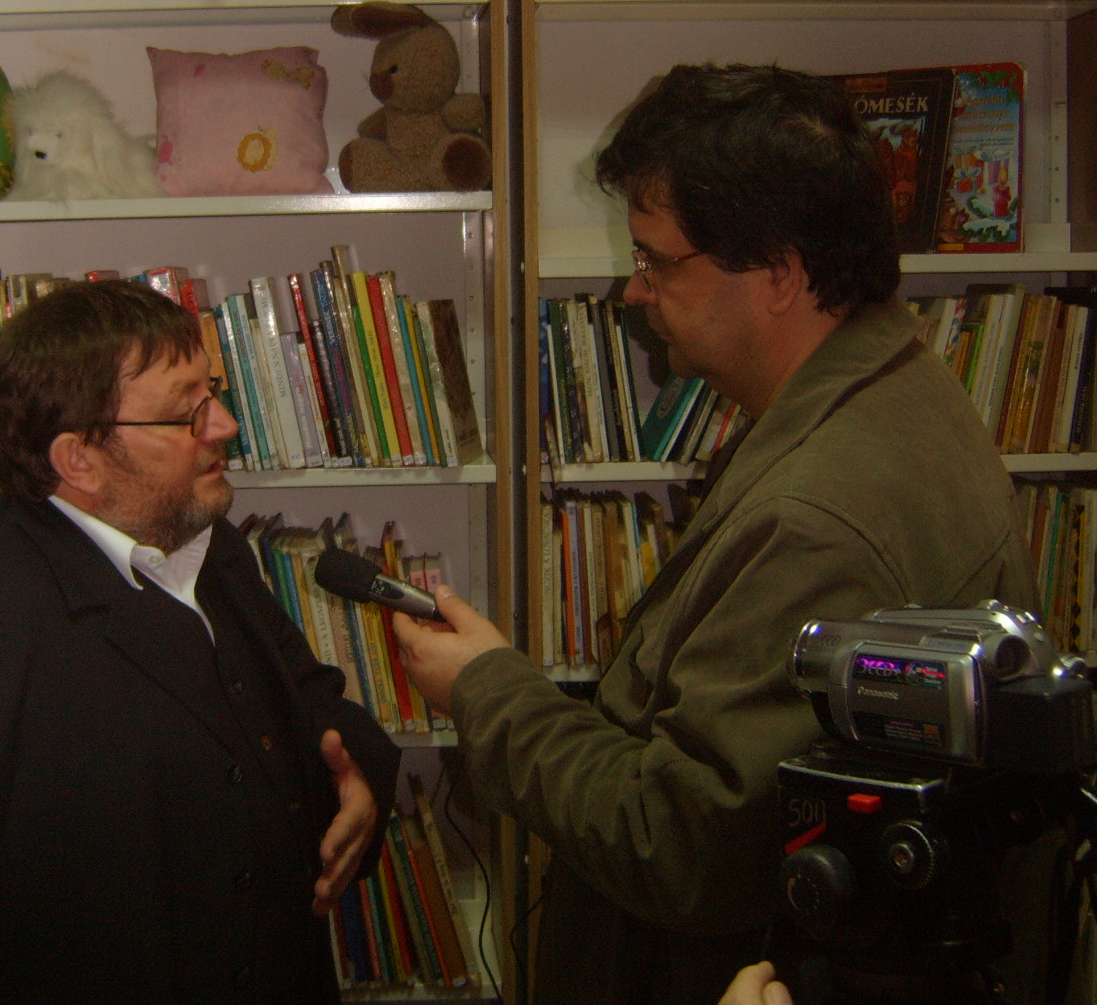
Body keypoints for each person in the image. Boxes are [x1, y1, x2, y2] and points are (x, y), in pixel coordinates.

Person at [393, 64, 1040, 1004]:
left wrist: (486, 690)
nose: (634, 290)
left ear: (777, 275)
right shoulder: (889, 381)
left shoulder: (819, 519)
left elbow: (681, 844)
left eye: (657, 260)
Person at [0, 278, 401, 1005]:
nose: (223, 425)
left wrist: (359, 775)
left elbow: (310, 697)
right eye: (186, 412)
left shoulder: (209, 543)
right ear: (80, 460)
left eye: (213, 393)